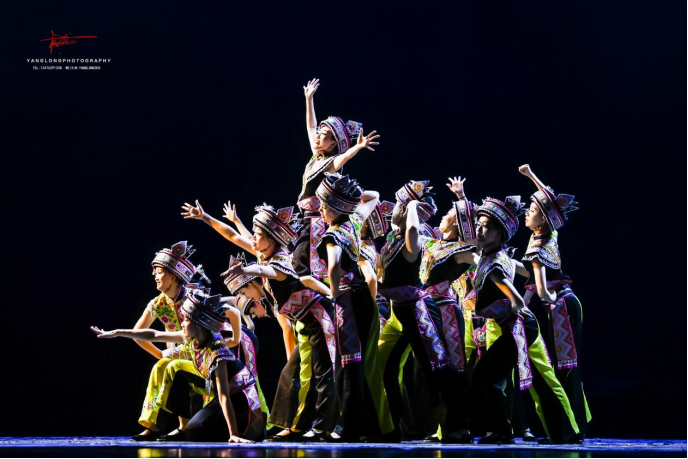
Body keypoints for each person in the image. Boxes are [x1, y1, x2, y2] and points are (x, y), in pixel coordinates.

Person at [181, 201, 339, 440]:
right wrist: (205, 217)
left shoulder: (282, 262)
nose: (253, 239)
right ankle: (296, 426)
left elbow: (268, 272)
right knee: (293, 375)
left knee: (321, 372)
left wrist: (245, 271)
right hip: (306, 322)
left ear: (272, 239)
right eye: (254, 234)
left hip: (320, 318)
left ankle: (321, 427)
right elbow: (233, 236)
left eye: (257, 235)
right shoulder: (264, 255)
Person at [470, 196, 580, 445]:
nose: (479, 230)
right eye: (478, 224)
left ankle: (504, 431)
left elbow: (517, 300)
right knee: (539, 377)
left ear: (500, 234)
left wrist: (513, 311)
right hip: (520, 325)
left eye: (485, 226)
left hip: (517, 326)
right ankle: (565, 432)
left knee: (486, 375)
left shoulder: (495, 265)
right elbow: (527, 270)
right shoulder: (497, 257)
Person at [92, 289, 267, 443]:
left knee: (196, 432)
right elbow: (154, 334)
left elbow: (224, 396)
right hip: (224, 397)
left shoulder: (218, 352)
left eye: (186, 320)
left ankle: (241, 431)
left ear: (199, 324)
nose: (182, 323)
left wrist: (233, 435)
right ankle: (193, 426)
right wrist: (117, 333)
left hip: (242, 403)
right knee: (191, 425)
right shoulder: (191, 338)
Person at [377, 180, 472, 444]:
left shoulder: (416, 239)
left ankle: (455, 426)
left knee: (437, 366)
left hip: (418, 310)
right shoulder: (394, 239)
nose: (394, 208)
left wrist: (413, 208)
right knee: (382, 365)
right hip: (398, 311)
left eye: (399, 205)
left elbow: (412, 234)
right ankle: (390, 426)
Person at [315, 173, 394, 441]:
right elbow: (375, 196)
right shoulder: (355, 221)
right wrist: (347, 196)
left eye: (325, 205)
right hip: (365, 300)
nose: (321, 210)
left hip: (348, 300)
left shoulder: (333, 234)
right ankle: (367, 427)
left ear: (337, 208)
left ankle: (348, 428)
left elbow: (334, 266)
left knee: (348, 363)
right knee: (362, 364)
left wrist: (334, 292)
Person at [516, 164, 591, 436]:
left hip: (561, 307)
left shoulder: (538, 247)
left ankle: (570, 430)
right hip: (567, 303)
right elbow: (548, 200)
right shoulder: (546, 235)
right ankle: (575, 426)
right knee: (567, 365)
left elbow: (542, 290)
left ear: (543, 220)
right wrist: (531, 176)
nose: (527, 212)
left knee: (565, 366)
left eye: (532, 210)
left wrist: (540, 299)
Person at [132, 241, 209, 441]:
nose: (154, 276)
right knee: (160, 365)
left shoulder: (194, 298)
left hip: (204, 355)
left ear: (173, 276)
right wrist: (159, 353)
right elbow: (137, 332)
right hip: (181, 355)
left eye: (159, 272)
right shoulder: (159, 303)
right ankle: (153, 425)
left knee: (171, 367)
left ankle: (183, 426)